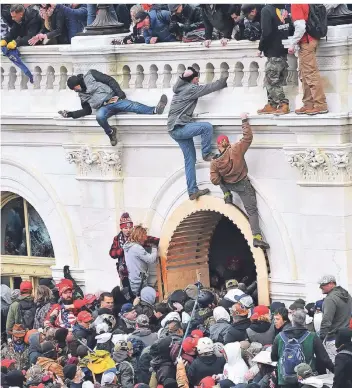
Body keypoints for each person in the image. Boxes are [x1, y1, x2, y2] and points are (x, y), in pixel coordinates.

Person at [59, 71, 168, 146]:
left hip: (114, 99)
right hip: (104, 107)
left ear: (77, 84)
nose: (75, 90)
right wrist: (70, 114)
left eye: (75, 88)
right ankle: (110, 132)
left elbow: (109, 80)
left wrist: (120, 95)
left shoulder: (91, 75)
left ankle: (155, 110)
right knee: (99, 116)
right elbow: (87, 111)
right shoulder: (82, 95)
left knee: (131, 105)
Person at [210, 114, 270, 249]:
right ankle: (257, 237)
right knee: (252, 211)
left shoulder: (215, 162)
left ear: (218, 145)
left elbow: (214, 180)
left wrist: (223, 181)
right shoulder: (236, 149)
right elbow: (248, 138)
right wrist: (244, 121)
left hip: (228, 185)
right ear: (227, 142)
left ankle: (227, 195)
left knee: (219, 178)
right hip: (243, 185)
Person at [168, 66, 227, 200]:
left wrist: (183, 77)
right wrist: (224, 81)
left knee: (190, 160)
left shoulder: (180, 88)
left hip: (174, 128)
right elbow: (209, 88)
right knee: (206, 127)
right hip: (179, 127)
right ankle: (206, 154)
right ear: (191, 80)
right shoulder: (190, 89)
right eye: (196, 79)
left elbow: (179, 84)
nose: (198, 81)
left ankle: (192, 191)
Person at [271, 309, 334, 387]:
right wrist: (335, 371)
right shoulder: (312, 336)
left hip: (285, 379)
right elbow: (324, 358)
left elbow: (273, 358)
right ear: (304, 321)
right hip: (306, 380)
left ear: (292, 321)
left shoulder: (279, 337)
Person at [109, 213, 160, 301]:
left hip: (136, 271)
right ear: (121, 228)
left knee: (135, 294)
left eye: (130, 228)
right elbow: (112, 253)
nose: (128, 230)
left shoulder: (136, 237)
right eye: (125, 228)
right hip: (124, 272)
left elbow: (150, 239)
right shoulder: (117, 239)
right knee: (128, 294)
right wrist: (123, 250)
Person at [289, 4, 328, 115]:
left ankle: (320, 105)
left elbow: (301, 27)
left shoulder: (296, 4)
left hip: (306, 42)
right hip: (308, 41)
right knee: (304, 74)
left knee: (310, 74)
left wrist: (292, 43)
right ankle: (308, 104)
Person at [257, 4, 292, 115]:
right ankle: (271, 104)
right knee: (273, 79)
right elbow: (290, 27)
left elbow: (266, 32)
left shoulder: (266, 10)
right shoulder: (284, 8)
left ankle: (283, 104)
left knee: (271, 80)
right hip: (283, 48)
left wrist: (260, 47)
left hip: (273, 50)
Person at [318, 275, 352, 363]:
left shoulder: (330, 299)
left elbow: (326, 321)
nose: (320, 287)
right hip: (347, 338)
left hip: (333, 340)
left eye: (323, 284)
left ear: (332, 284)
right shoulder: (347, 295)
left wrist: (321, 339)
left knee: (334, 371)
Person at [123, 225, 158, 296]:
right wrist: (154, 248)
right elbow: (151, 259)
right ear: (140, 236)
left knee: (139, 299)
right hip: (140, 281)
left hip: (134, 280)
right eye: (144, 235)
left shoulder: (128, 246)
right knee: (144, 299)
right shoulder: (136, 248)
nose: (145, 239)